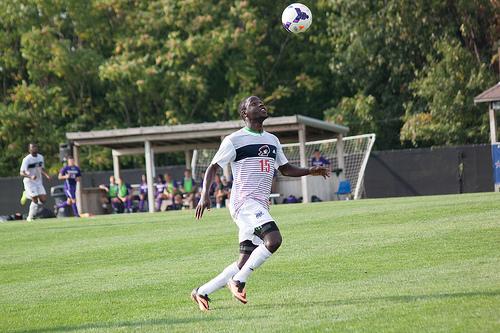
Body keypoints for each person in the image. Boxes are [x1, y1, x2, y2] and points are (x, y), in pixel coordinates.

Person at [191, 96, 330, 311]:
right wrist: (204, 195)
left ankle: (202, 292)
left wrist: (310, 171)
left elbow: (285, 169)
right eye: (255, 103)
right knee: (273, 239)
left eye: (262, 102)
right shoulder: (234, 140)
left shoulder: (272, 140)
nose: (262, 105)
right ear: (245, 113)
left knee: (244, 260)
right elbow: (213, 167)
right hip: (243, 202)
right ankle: (238, 281)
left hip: (259, 205)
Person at [19, 143, 51, 221]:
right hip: (29, 182)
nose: (34, 148)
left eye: (35, 147)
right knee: (35, 200)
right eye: (32, 147)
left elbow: (41, 168)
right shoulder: (27, 159)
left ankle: (27, 194)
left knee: (43, 200)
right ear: (29, 149)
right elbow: (21, 172)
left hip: (38, 181)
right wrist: (31, 176)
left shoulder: (40, 157)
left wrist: (46, 175)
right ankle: (30, 217)